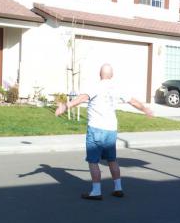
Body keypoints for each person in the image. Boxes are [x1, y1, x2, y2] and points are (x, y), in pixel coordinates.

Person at [55, 64, 153, 200]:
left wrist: (66, 106)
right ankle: (118, 188)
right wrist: (145, 109)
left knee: (93, 161)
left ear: (99, 74)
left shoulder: (95, 86)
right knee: (112, 160)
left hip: (96, 128)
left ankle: (96, 191)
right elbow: (133, 101)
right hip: (111, 130)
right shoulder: (117, 88)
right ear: (111, 75)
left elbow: (82, 98)